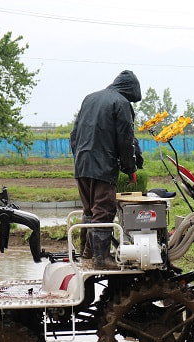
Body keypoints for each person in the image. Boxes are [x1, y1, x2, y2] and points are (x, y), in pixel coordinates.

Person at [71, 70, 142, 270]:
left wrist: (79, 157)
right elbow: (125, 140)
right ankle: (101, 259)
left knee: (89, 209)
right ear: (129, 91)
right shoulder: (121, 103)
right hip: (102, 166)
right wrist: (130, 168)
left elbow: (74, 133)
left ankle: (88, 252)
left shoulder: (90, 98)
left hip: (82, 163)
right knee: (103, 210)